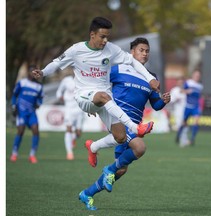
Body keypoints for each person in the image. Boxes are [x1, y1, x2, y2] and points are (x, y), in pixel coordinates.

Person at [32, 17, 160, 166]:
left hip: (103, 100)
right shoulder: (76, 50)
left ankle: (93, 147)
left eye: (107, 37)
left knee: (121, 137)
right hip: (84, 96)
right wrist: (42, 72)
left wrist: (150, 78)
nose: (105, 40)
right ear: (92, 35)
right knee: (104, 97)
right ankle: (135, 127)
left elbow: (132, 61)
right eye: (102, 36)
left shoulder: (111, 49)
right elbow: (56, 63)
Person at [78, 37, 171, 210]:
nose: (145, 53)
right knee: (140, 148)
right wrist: (92, 104)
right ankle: (106, 167)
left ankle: (87, 193)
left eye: (147, 51)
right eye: (141, 50)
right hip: (118, 120)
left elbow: (155, 105)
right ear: (132, 53)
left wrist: (163, 101)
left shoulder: (151, 77)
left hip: (134, 124)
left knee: (120, 170)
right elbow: (97, 85)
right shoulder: (118, 69)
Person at [10, 65, 44, 163]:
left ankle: (32, 155)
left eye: (36, 72)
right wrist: (13, 106)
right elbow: (14, 95)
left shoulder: (39, 86)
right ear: (29, 73)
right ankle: (14, 153)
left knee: (36, 130)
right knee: (20, 131)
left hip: (32, 112)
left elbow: (40, 98)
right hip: (21, 112)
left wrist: (39, 104)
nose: (34, 74)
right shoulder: (22, 83)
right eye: (32, 72)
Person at [56, 71, 85, 160]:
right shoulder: (66, 80)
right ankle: (69, 153)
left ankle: (73, 138)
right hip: (69, 108)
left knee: (78, 133)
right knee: (68, 129)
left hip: (79, 108)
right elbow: (59, 92)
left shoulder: (84, 79)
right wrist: (60, 97)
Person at [176, 70, 203, 146]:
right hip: (188, 106)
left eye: (198, 76)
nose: (197, 77)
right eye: (196, 75)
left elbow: (200, 97)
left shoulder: (200, 86)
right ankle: (178, 135)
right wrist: (187, 91)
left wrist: (201, 106)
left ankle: (192, 139)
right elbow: (181, 91)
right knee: (184, 123)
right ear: (193, 75)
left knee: (196, 121)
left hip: (196, 107)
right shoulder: (188, 82)